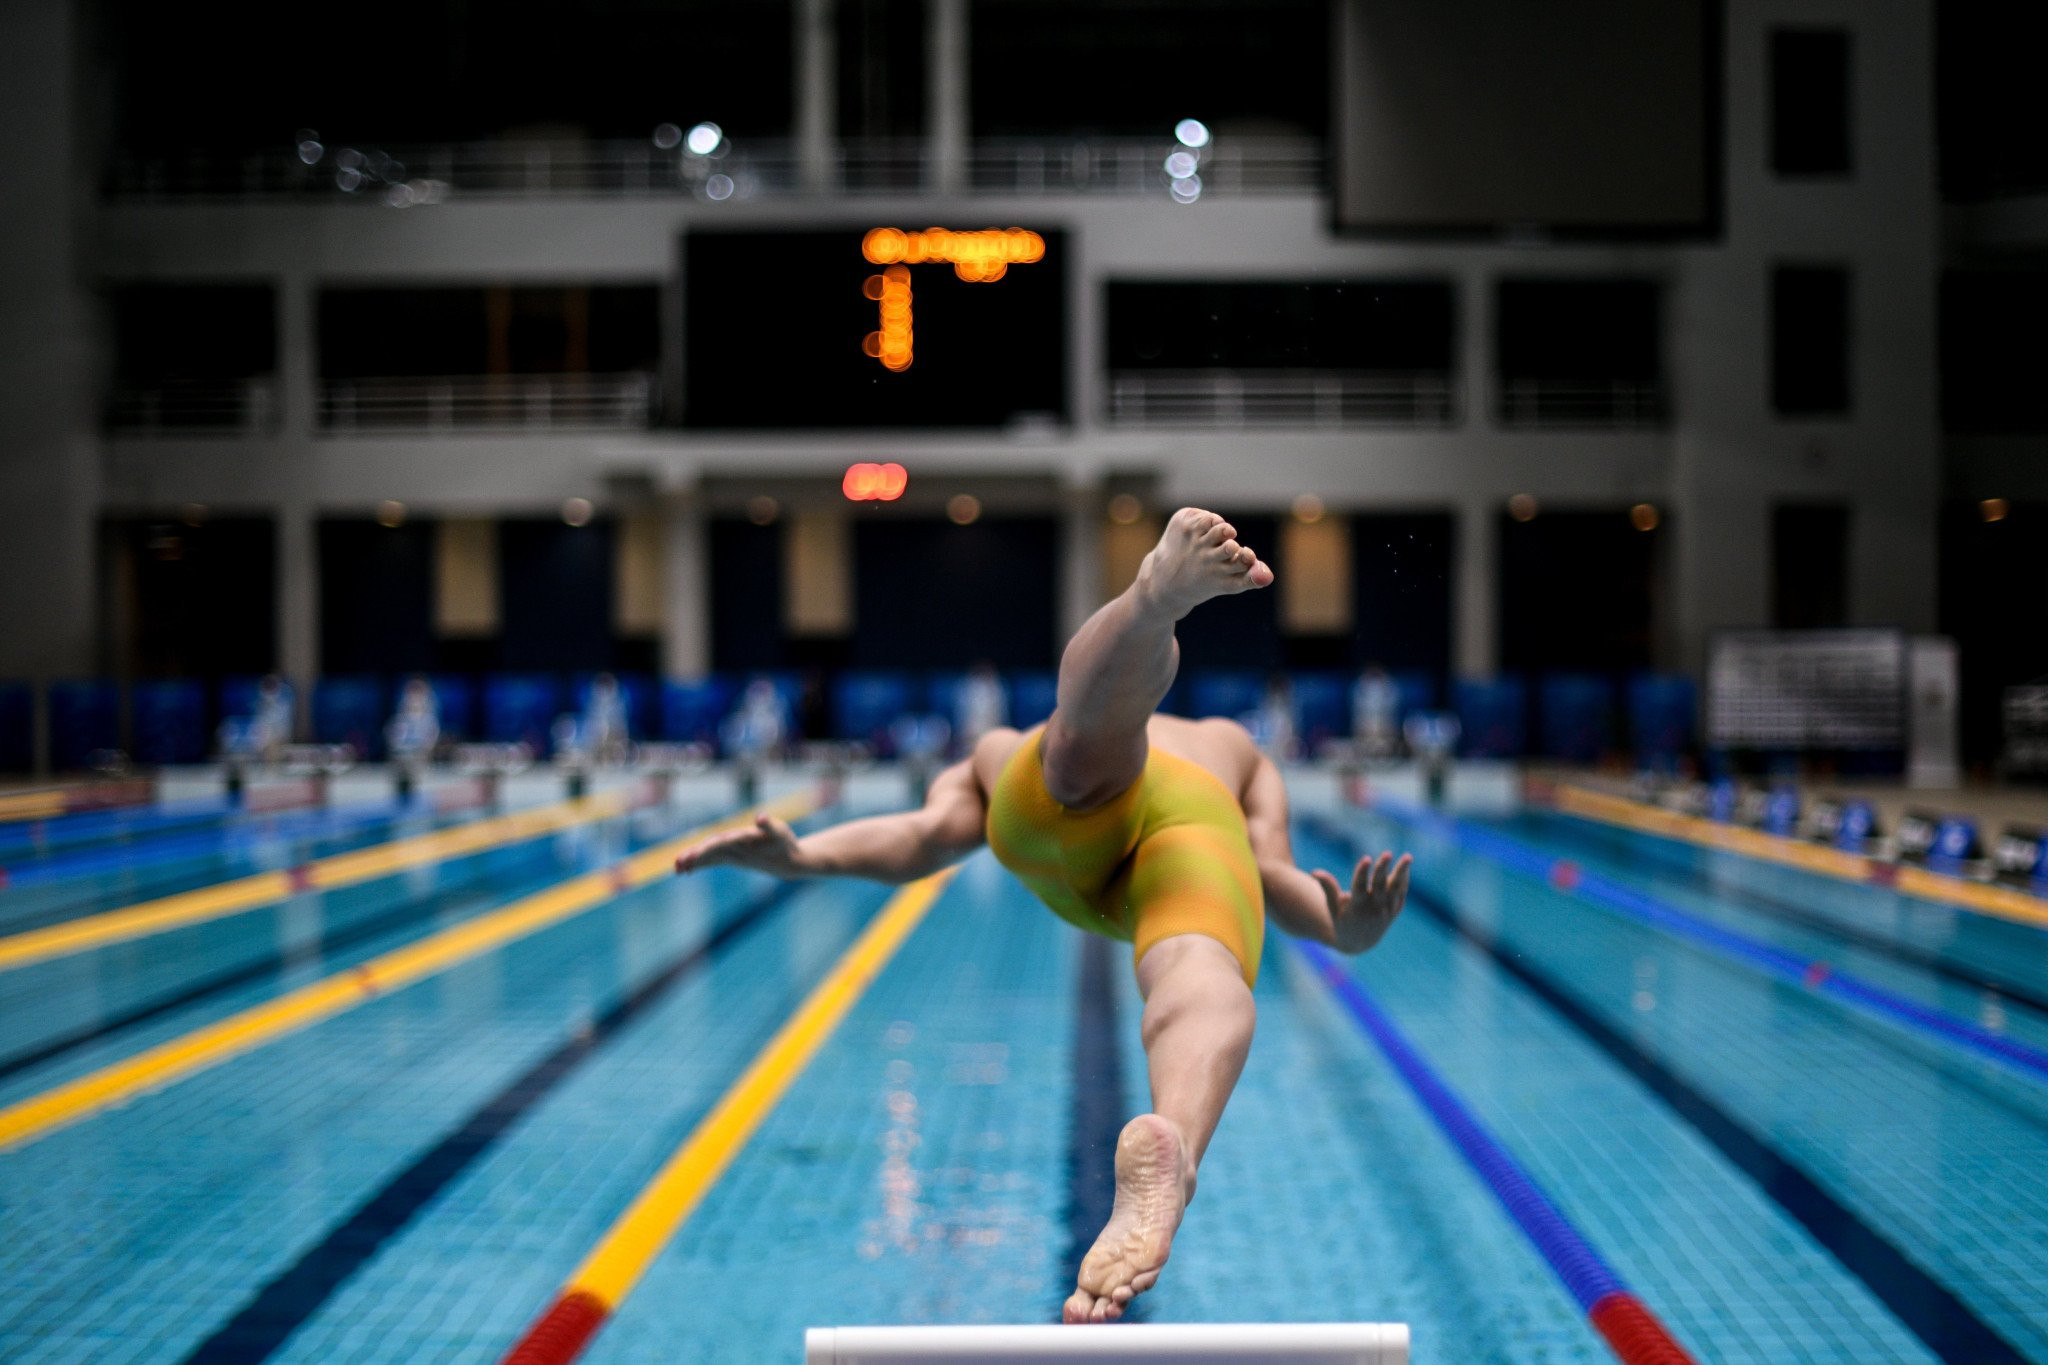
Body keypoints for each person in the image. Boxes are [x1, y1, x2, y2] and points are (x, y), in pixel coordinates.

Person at [674, 509, 1413, 1323]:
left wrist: (812, 854)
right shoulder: (1234, 747)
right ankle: (1175, 1141)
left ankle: (1151, 604)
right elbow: (1272, 878)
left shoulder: (991, 752)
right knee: (1201, 963)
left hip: (1043, 813)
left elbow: (920, 839)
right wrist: (1343, 929)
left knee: (1073, 754)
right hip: (1193, 826)